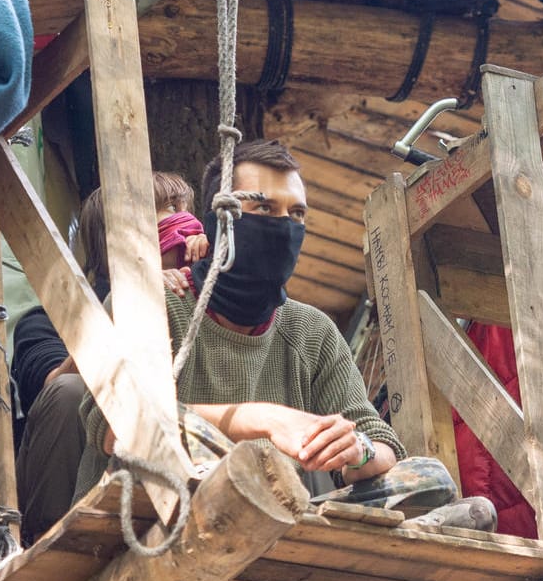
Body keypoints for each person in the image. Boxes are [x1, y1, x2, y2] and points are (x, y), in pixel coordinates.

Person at [73, 140, 406, 501]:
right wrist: (265, 421)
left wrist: (357, 449)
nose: (283, 226)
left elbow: (384, 444)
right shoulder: (152, 304)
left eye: (296, 214)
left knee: (433, 481)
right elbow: (117, 426)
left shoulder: (312, 332)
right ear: (219, 220)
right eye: (263, 207)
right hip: (139, 527)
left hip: (268, 533)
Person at [12, 170, 207, 543]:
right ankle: (51, 543)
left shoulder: (206, 304)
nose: (183, 219)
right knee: (70, 392)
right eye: (167, 208)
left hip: (172, 491)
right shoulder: (47, 320)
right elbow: (54, 389)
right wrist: (131, 299)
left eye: (184, 208)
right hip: (71, 488)